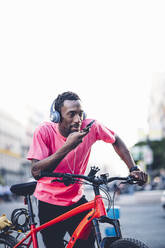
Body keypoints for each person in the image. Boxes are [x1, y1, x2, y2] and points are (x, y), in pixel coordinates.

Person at [27, 91, 148, 248]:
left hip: (76, 199)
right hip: (48, 202)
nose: (78, 120)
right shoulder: (44, 131)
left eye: (80, 113)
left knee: (86, 244)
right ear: (57, 117)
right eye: (71, 114)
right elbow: (36, 171)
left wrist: (133, 168)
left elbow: (116, 139)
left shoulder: (90, 127)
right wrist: (67, 146)